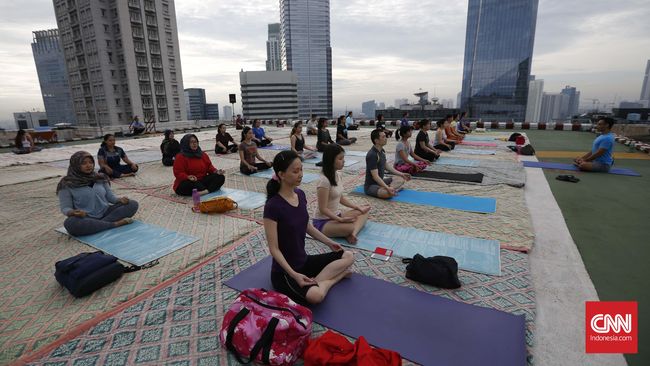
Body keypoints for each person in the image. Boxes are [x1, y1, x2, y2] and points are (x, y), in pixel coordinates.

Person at [264, 150, 355, 305]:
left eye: (301, 169)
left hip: (304, 262)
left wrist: (329, 243)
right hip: (285, 273)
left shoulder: (300, 194)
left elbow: (307, 226)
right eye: (295, 171)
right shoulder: (273, 206)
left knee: (348, 255)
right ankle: (334, 279)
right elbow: (274, 249)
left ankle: (315, 282)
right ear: (281, 174)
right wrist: (294, 275)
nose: (300, 174)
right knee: (316, 297)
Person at [57, 151, 138, 236]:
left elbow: (110, 197)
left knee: (132, 204)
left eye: (91, 162)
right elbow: (65, 207)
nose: (89, 165)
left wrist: (119, 200)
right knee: (70, 223)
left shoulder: (100, 177)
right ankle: (114, 224)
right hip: (86, 217)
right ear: (75, 165)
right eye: (84, 163)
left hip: (106, 212)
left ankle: (98, 225)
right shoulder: (67, 184)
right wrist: (72, 212)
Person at [314, 145, 370, 244]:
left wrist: (357, 207)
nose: (343, 161)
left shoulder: (338, 174)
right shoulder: (324, 181)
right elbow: (323, 209)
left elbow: (340, 198)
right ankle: (349, 232)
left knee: (364, 211)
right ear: (331, 160)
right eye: (340, 158)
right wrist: (340, 219)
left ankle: (352, 234)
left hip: (336, 216)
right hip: (323, 222)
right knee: (349, 227)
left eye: (343, 158)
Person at [364, 129, 411, 198]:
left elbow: (387, 166)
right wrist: (387, 187)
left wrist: (402, 174)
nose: (386, 138)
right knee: (387, 194)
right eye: (383, 137)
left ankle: (390, 189)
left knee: (400, 179)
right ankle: (390, 189)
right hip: (371, 186)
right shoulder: (372, 155)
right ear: (376, 140)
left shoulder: (382, 151)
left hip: (381, 181)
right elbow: (375, 176)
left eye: (385, 136)